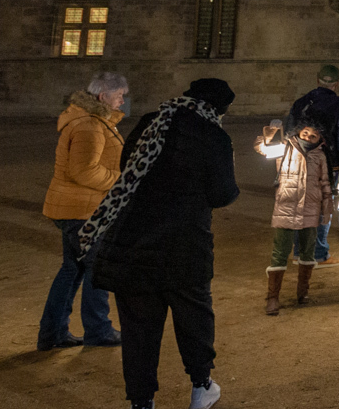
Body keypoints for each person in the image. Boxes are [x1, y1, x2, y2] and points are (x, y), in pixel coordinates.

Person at [85, 78, 240, 409]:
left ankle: (142, 402)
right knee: (194, 319)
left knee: (139, 332)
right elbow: (223, 194)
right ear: (220, 108)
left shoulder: (149, 122)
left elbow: (129, 170)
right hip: (184, 247)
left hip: (133, 242)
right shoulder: (214, 136)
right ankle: (201, 387)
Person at [38, 72, 128, 350]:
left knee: (71, 270)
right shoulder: (90, 125)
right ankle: (98, 329)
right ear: (103, 97)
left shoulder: (92, 120)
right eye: (119, 95)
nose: (122, 101)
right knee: (97, 269)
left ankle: (53, 333)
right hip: (84, 210)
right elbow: (85, 171)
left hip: (75, 207)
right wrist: (123, 179)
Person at [254, 120, 329, 315]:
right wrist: (269, 134)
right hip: (286, 207)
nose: (308, 137)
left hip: (311, 208)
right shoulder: (285, 148)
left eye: (313, 135)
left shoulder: (320, 156)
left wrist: (327, 207)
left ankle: (303, 293)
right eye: (305, 133)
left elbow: (325, 182)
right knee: (280, 252)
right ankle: (272, 297)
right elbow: (261, 149)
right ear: (298, 132)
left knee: (307, 251)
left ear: (320, 139)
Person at [287, 65, 339, 266]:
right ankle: (318, 253)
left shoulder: (301, 103)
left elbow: (289, 132)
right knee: (323, 208)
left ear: (318, 81)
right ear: (337, 84)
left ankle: (299, 251)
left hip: (299, 163)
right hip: (327, 166)